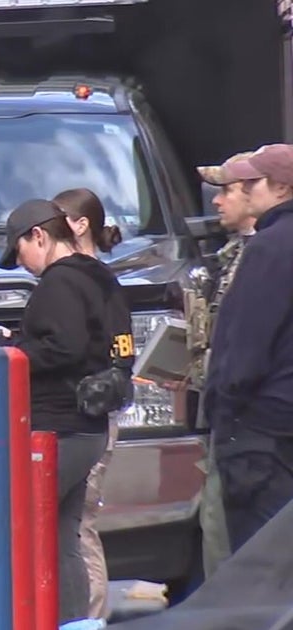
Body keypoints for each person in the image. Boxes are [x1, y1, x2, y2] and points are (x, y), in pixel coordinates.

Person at [0, 199, 134, 625]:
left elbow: (62, 347)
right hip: (90, 425)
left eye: (19, 252)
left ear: (39, 236)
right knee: (63, 538)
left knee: (21, 530)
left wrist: (7, 348)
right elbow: (94, 344)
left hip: (57, 429)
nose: (21, 264)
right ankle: (75, 623)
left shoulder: (59, 282)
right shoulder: (100, 275)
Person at [203, 143, 293, 552]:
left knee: (257, 564)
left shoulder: (269, 247)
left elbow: (246, 345)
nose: (245, 190)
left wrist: (224, 410)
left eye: (253, 183)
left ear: (281, 188)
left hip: (261, 434)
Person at [52, 187, 124, 620]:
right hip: (84, 416)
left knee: (79, 528)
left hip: (90, 415)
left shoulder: (89, 280)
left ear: (80, 226)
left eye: (57, 219)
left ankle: (89, 618)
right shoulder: (85, 277)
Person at [186, 153, 257, 576]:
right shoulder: (230, 256)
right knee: (217, 528)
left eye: (226, 190)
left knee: (230, 533)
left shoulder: (266, 255)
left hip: (250, 419)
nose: (216, 201)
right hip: (224, 414)